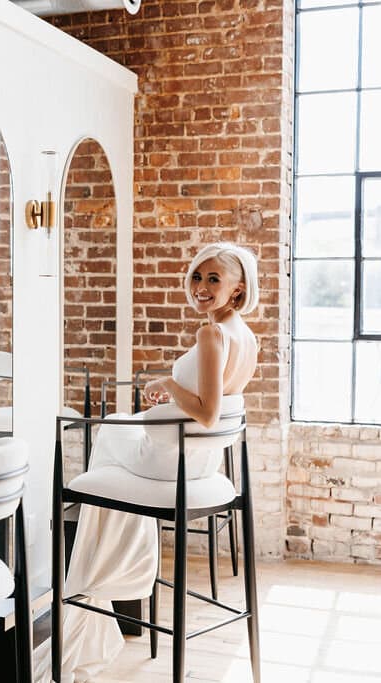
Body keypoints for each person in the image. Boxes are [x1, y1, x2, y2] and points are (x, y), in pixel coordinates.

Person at [57, 242, 259, 681]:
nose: (201, 286)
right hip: (201, 465)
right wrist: (169, 399)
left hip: (170, 467)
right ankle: (116, 566)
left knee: (109, 428)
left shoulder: (211, 335)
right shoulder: (246, 335)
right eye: (197, 276)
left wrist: (168, 382)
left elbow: (207, 412)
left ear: (238, 289)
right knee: (119, 431)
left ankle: (94, 570)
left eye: (213, 279)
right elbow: (218, 408)